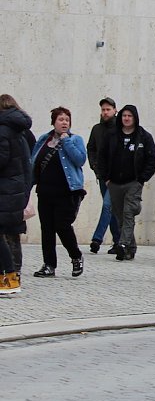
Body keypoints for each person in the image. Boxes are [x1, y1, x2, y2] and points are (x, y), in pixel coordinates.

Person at [31, 107, 88, 278]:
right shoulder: (43, 139)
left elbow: (80, 160)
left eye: (67, 120)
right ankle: (49, 264)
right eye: (61, 119)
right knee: (47, 228)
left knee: (62, 226)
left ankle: (76, 256)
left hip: (66, 192)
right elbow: (34, 163)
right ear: (53, 122)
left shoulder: (75, 139)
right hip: (45, 191)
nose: (64, 123)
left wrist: (66, 141)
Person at [98, 104, 155, 261]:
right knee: (119, 215)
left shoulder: (144, 136)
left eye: (129, 116)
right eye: (124, 115)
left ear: (135, 118)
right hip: (114, 182)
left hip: (133, 182)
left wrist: (141, 179)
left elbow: (152, 159)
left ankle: (123, 244)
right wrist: (106, 178)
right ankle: (131, 247)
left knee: (128, 212)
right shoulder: (112, 135)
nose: (126, 118)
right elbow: (101, 157)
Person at [0, 95, 34, 293]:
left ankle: (9, 277)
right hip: (15, 190)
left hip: (5, 190)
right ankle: (10, 277)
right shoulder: (20, 131)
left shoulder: (3, 131)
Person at [86, 97, 120, 254]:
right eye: (103, 110)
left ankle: (96, 239)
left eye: (108, 109)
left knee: (107, 205)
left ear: (115, 110)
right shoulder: (97, 129)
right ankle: (118, 241)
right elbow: (91, 148)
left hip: (116, 177)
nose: (105, 112)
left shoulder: (119, 129)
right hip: (101, 174)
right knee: (111, 209)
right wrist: (94, 165)